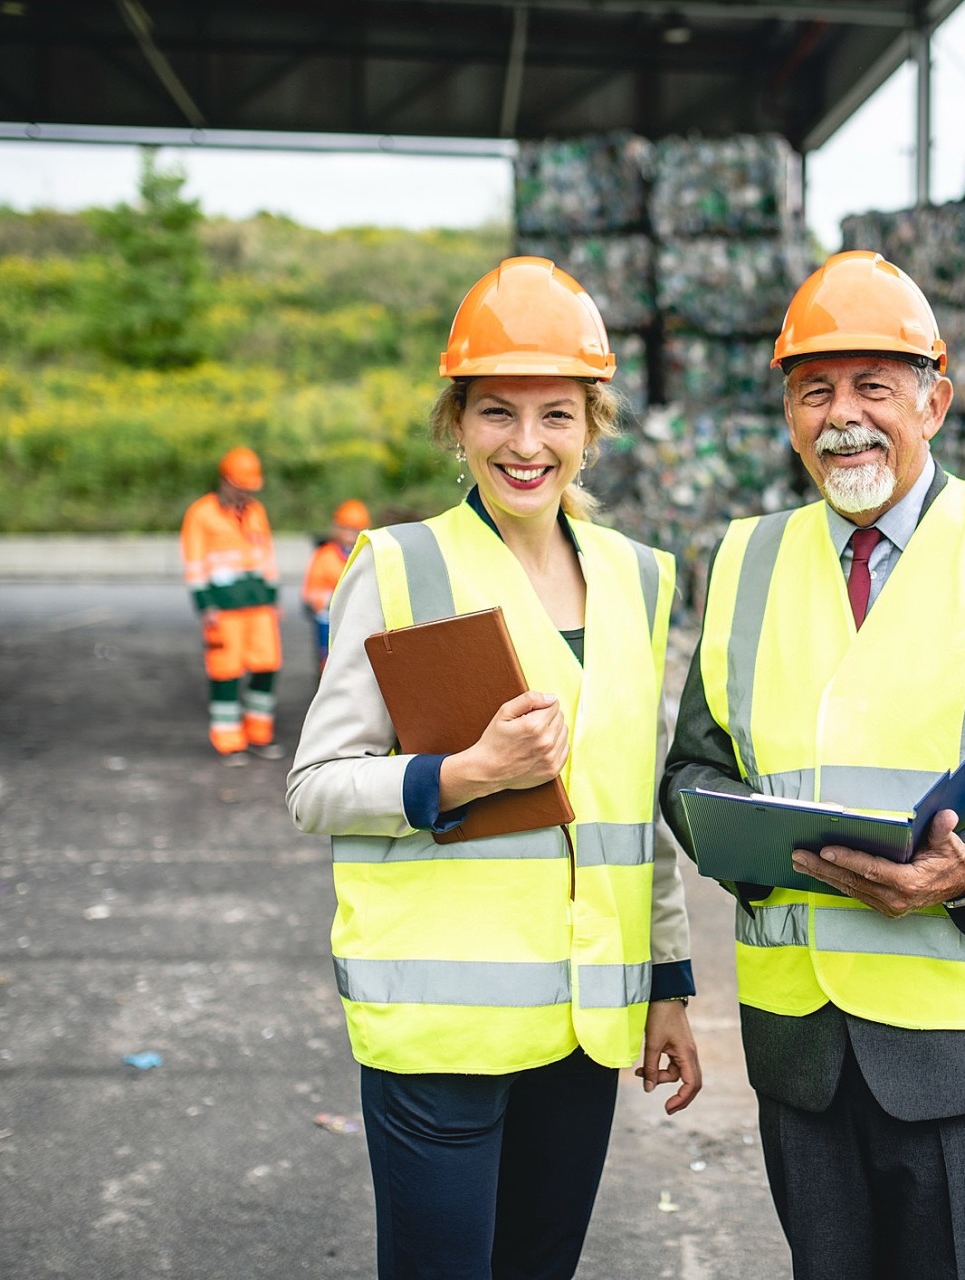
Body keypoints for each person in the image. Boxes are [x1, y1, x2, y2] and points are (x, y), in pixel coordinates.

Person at [660, 250, 965, 1280]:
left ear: (937, 401)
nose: (844, 416)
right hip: (801, 1047)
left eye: (875, 385)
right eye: (814, 389)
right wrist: (742, 839)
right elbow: (690, 770)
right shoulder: (746, 556)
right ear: (788, 412)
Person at [286, 256, 702, 1280]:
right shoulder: (400, 567)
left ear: (592, 425)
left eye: (556, 414)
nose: (526, 444)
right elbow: (316, 786)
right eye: (495, 413)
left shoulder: (639, 579)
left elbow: (633, 807)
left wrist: (668, 986)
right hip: (442, 1028)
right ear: (455, 423)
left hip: (583, 1023)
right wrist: (462, 772)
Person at [180, 446, 284, 764]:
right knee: (226, 671)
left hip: (259, 606)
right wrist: (204, 604)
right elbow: (194, 562)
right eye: (242, 488)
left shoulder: (255, 512)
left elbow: (265, 555)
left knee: (267, 666)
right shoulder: (201, 514)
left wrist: (273, 596)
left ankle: (258, 734)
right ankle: (229, 741)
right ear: (226, 482)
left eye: (251, 489)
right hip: (223, 609)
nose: (247, 495)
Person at [302, 498, 371, 666]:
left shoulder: (368, 554)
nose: (350, 536)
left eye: (355, 530)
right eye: (346, 529)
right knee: (330, 663)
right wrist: (334, 600)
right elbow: (311, 592)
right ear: (336, 528)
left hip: (360, 620)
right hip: (329, 621)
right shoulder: (324, 555)